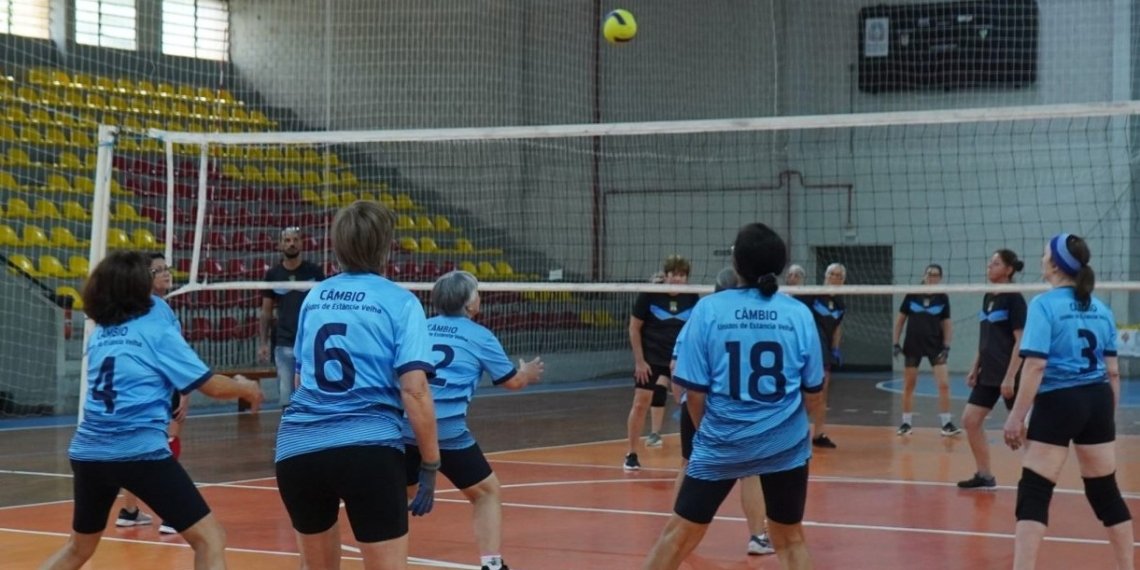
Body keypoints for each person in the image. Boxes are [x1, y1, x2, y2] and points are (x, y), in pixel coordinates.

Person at [39, 251, 263, 570]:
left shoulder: (100, 332)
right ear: (137, 286)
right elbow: (211, 386)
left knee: (78, 549)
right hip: (138, 452)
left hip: (88, 453)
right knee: (210, 539)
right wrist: (246, 387)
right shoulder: (155, 327)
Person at [643, 223, 824, 570]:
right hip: (784, 445)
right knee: (791, 539)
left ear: (737, 263)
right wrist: (802, 432)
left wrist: (708, 437)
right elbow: (813, 390)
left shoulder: (709, 310)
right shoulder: (799, 314)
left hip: (722, 442)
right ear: (781, 266)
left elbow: (692, 393)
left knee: (677, 535)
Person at [275, 201, 440, 570]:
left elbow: (302, 379)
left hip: (297, 448)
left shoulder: (315, 296)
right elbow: (414, 390)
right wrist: (430, 461)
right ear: (386, 245)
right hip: (367, 447)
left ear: (337, 245)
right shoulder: (401, 302)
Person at [1003, 234, 1132, 570]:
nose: (1041, 257)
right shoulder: (1101, 308)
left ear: (1056, 264)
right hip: (1098, 400)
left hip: (1059, 400)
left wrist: (1017, 417)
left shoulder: (1044, 305)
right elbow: (1113, 373)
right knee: (1105, 492)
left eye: (1045, 253)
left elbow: (1035, 365)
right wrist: (1106, 417)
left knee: (1035, 489)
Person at [404, 270, 544, 570]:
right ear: (470, 304)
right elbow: (512, 383)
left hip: (405, 425)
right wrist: (528, 373)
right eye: (477, 292)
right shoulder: (481, 336)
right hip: (447, 431)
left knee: (401, 495)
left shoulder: (418, 328)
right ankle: (492, 564)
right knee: (486, 492)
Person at [670, 265, 774, 556]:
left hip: (699, 407)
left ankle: (675, 533)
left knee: (690, 465)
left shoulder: (700, 318)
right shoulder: (754, 322)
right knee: (751, 473)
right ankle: (757, 537)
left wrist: (684, 404)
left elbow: (676, 367)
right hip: (737, 409)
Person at [115, 253, 189, 534]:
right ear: (145, 276)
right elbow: (177, 357)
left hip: (130, 389)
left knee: (136, 451)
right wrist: (186, 392)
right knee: (167, 447)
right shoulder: (159, 309)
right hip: (159, 386)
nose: (166, 274)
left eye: (166, 269)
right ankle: (171, 515)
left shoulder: (126, 308)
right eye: (158, 270)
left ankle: (129, 511)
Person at [958, 250, 1026, 490]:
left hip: (1010, 374)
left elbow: (1021, 340)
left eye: (995, 263)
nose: (989, 266)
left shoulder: (1014, 299)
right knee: (970, 420)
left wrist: (1010, 377)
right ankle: (984, 475)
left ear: (1008, 270)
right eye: (989, 262)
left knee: (1023, 429)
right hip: (988, 373)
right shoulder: (988, 296)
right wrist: (975, 367)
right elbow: (985, 337)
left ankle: (1038, 476)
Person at [624, 255, 699, 470]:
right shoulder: (650, 295)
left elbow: (695, 331)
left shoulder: (692, 297)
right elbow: (634, 328)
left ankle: (695, 454)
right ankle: (631, 453)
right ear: (666, 275)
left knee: (692, 403)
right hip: (651, 359)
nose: (677, 279)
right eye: (674, 274)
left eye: (682, 275)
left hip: (679, 359)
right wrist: (639, 361)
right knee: (640, 403)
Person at [258, 226, 325, 407]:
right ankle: (289, 433)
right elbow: (266, 312)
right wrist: (263, 343)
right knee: (286, 397)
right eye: (287, 240)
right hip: (284, 343)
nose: (291, 244)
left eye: (295, 240)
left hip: (310, 343)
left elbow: (324, 307)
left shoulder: (314, 272)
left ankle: (310, 433)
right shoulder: (273, 275)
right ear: (280, 245)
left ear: (302, 243)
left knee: (311, 394)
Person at [893, 264, 960, 436]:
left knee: (944, 385)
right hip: (913, 344)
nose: (932, 277)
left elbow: (947, 323)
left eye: (936, 275)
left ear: (940, 278)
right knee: (909, 385)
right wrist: (895, 342)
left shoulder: (942, 298)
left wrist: (947, 346)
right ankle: (906, 423)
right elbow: (900, 321)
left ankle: (946, 424)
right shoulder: (912, 294)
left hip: (935, 345)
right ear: (924, 275)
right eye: (930, 274)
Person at [805, 263, 845, 449]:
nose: (833, 277)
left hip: (825, 351)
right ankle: (795, 433)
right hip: (809, 349)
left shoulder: (840, 303)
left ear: (843, 281)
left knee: (822, 393)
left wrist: (836, 349)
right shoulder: (813, 295)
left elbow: (838, 326)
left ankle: (819, 433)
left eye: (837, 275)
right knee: (806, 393)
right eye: (830, 274)